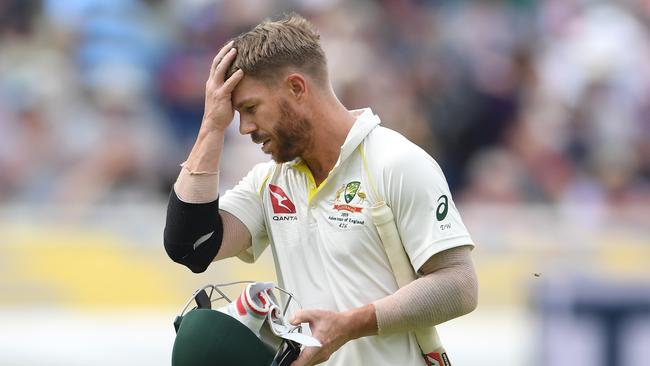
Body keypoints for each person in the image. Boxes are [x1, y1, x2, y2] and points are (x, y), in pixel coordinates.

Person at [164, 13, 478, 366]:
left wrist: (349, 325)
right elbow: (190, 245)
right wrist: (211, 127)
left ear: (297, 88)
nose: (244, 127)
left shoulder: (396, 163)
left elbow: (459, 285)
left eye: (250, 108)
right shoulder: (270, 181)